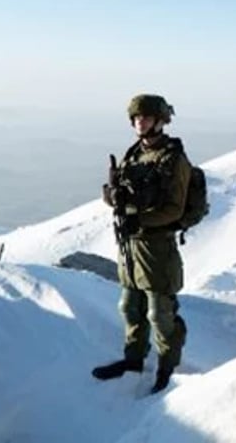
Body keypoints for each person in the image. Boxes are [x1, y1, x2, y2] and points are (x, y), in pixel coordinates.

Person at [91, 93, 191, 394]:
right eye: (136, 118)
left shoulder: (174, 159)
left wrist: (142, 221)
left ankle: (166, 368)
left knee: (160, 314)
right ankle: (133, 361)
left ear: (160, 120)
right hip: (130, 245)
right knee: (129, 307)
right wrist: (113, 196)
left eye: (145, 117)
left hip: (157, 247)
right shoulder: (134, 154)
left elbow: (175, 209)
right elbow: (127, 196)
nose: (139, 122)